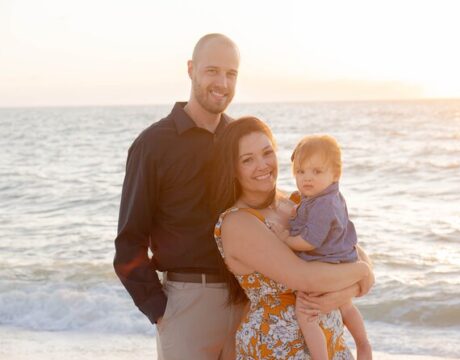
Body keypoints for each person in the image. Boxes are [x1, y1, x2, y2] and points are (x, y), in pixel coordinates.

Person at [113, 33, 244, 360]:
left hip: (245, 302)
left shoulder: (239, 139)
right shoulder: (153, 144)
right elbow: (129, 240)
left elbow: (266, 213)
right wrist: (160, 310)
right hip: (186, 305)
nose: (222, 82)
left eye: (231, 74)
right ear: (191, 69)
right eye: (212, 70)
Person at [209, 116, 375, 359]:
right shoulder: (238, 222)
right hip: (278, 348)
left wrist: (345, 291)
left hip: (330, 340)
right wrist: (362, 273)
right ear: (233, 169)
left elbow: (348, 249)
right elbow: (305, 278)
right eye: (248, 160)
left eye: (267, 153)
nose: (263, 165)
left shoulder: (299, 202)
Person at [269, 135, 372, 360]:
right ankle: (363, 344)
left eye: (316, 172)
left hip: (326, 263)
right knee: (345, 305)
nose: (307, 178)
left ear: (335, 174)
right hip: (343, 259)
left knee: (305, 312)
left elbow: (310, 241)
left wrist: (286, 238)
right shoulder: (327, 196)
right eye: (300, 171)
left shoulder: (322, 204)